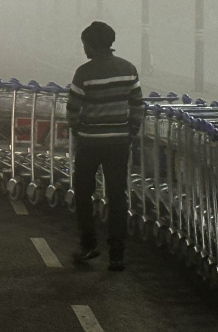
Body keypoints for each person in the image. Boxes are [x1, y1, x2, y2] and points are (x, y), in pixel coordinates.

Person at [67, 21, 144, 272]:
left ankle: (89, 244)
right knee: (117, 196)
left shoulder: (84, 73)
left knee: (83, 192)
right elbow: (137, 105)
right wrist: (130, 130)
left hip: (90, 143)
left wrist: (78, 130)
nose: (84, 50)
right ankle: (117, 254)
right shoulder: (128, 69)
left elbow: (73, 110)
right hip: (118, 143)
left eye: (85, 45)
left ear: (91, 45)